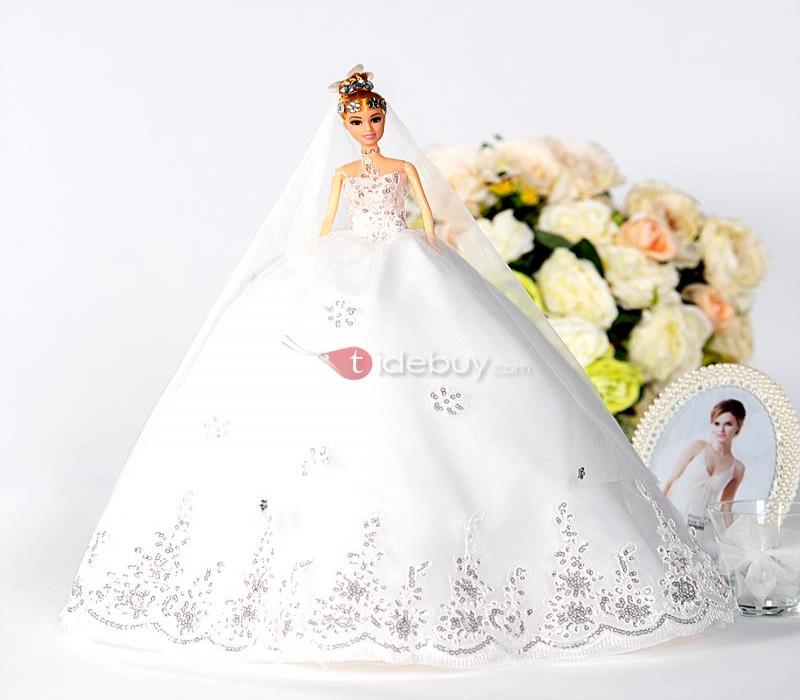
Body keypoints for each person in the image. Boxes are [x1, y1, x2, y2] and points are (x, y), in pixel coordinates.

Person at [58, 65, 737, 668]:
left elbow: (430, 214)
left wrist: (435, 244)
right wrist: (318, 268)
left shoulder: (399, 168)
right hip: (348, 266)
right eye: (357, 120)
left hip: (415, 265)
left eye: (374, 117)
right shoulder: (344, 176)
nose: (368, 128)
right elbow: (325, 223)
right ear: (344, 124)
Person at [662, 399, 747, 533]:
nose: (721, 430)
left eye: (728, 424)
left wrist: (731, 536)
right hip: (675, 511)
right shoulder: (697, 447)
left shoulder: (737, 468)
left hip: (702, 525)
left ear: (738, 425)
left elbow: (726, 507)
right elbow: (671, 480)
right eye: (717, 423)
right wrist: (657, 509)